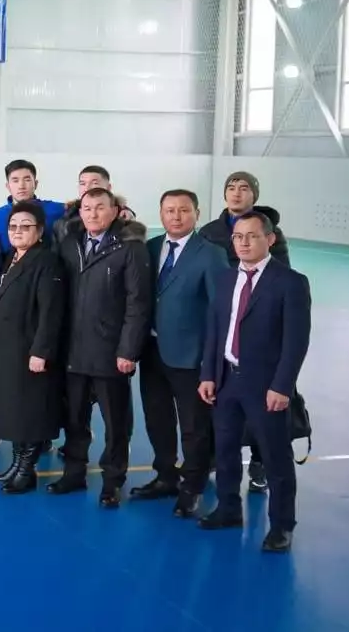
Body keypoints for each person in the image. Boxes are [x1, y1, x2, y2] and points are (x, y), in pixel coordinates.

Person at [198, 211, 310, 553]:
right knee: (225, 449)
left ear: (270, 239)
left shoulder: (290, 282)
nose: (244, 243)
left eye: (252, 236)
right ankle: (229, 508)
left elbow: (296, 341)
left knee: (276, 457)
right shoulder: (226, 279)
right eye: (238, 237)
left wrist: (283, 386)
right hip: (226, 380)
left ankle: (282, 525)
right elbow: (215, 330)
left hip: (265, 385)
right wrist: (208, 374)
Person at [50, 187, 152, 507]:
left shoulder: (130, 248)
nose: (93, 214)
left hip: (110, 352)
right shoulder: (69, 244)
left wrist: (128, 350)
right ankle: (74, 473)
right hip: (73, 350)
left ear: (115, 211)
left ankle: (112, 481)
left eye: (100, 207)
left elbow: (138, 303)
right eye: (87, 208)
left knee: (115, 423)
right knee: (74, 419)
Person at [130, 189, 227, 518]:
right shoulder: (151, 247)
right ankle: (165, 476)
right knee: (157, 419)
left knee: (193, 426)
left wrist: (211, 362)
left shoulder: (210, 254)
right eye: (169, 210)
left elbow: (219, 312)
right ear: (161, 214)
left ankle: (192, 487)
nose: (176, 216)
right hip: (152, 350)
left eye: (184, 210)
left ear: (197, 214)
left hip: (191, 356)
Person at [0, 201, 66, 494]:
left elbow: (51, 312)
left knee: (30, 412)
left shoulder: (47, 262)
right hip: (8, 350)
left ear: (40, 231)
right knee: (15, 412)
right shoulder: (10, 257)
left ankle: (27, 471)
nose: (17, 231)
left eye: (25, 226)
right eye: (13, 226)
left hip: (30, 351)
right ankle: (17, 464)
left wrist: (40, 351)